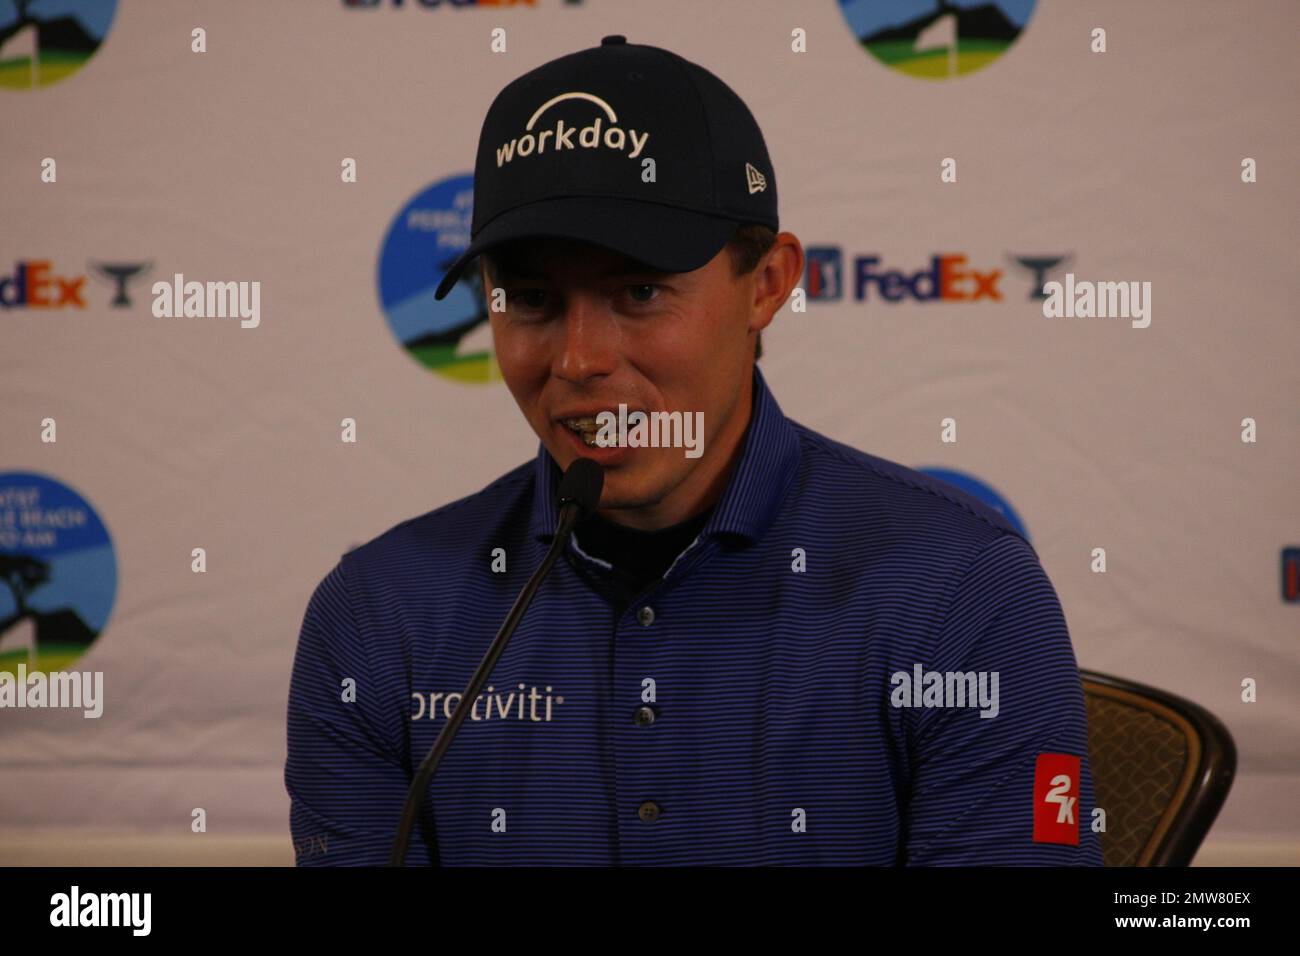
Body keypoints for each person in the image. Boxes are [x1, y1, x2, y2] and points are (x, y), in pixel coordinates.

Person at [285, 35, 1102, 866]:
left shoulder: (962, 592)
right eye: (530, 298)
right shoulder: (374, 621)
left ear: (769, 285)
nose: (577, 360)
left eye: (639, 291)